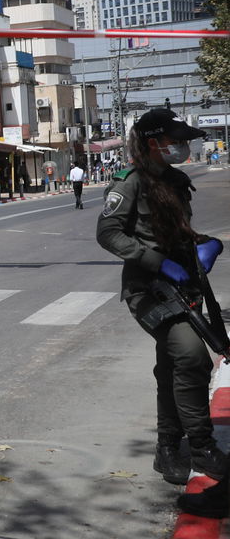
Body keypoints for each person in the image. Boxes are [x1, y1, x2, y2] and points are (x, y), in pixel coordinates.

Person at [96, 109, 227, 510]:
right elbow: (108, 233)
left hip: (183, 286)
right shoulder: (130, 183)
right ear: (154, 143)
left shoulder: (176, 181)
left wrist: (206, 243)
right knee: (190, 357)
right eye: (175, 139)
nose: (183, 145)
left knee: (172, 365)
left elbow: (178, 233)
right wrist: (156, 262)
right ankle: (202, 448)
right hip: (150, 289)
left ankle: (168, 448)